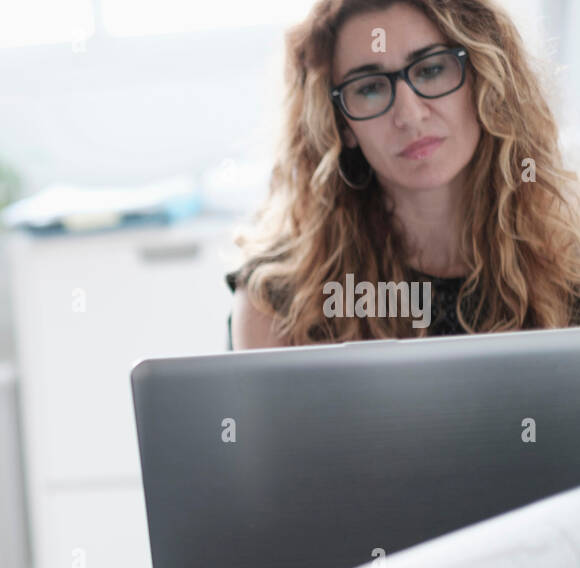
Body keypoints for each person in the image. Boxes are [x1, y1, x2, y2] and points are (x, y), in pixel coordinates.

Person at [227, 0, 580, 349]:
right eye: (370, 88)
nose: (409, 115)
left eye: (430, 69)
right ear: (342, 125)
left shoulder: (570, 261)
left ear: (484, 79)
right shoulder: (277, 297)